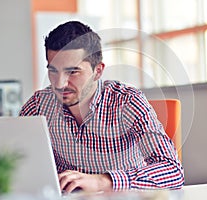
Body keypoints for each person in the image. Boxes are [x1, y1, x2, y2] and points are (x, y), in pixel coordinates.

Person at [19, 21, 184, 193]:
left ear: (98, 71)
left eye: (73, 71)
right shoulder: (39, 105)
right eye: (53, 71)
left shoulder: (127, 102)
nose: (60, 84)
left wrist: (103, 181)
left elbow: (173, 172)